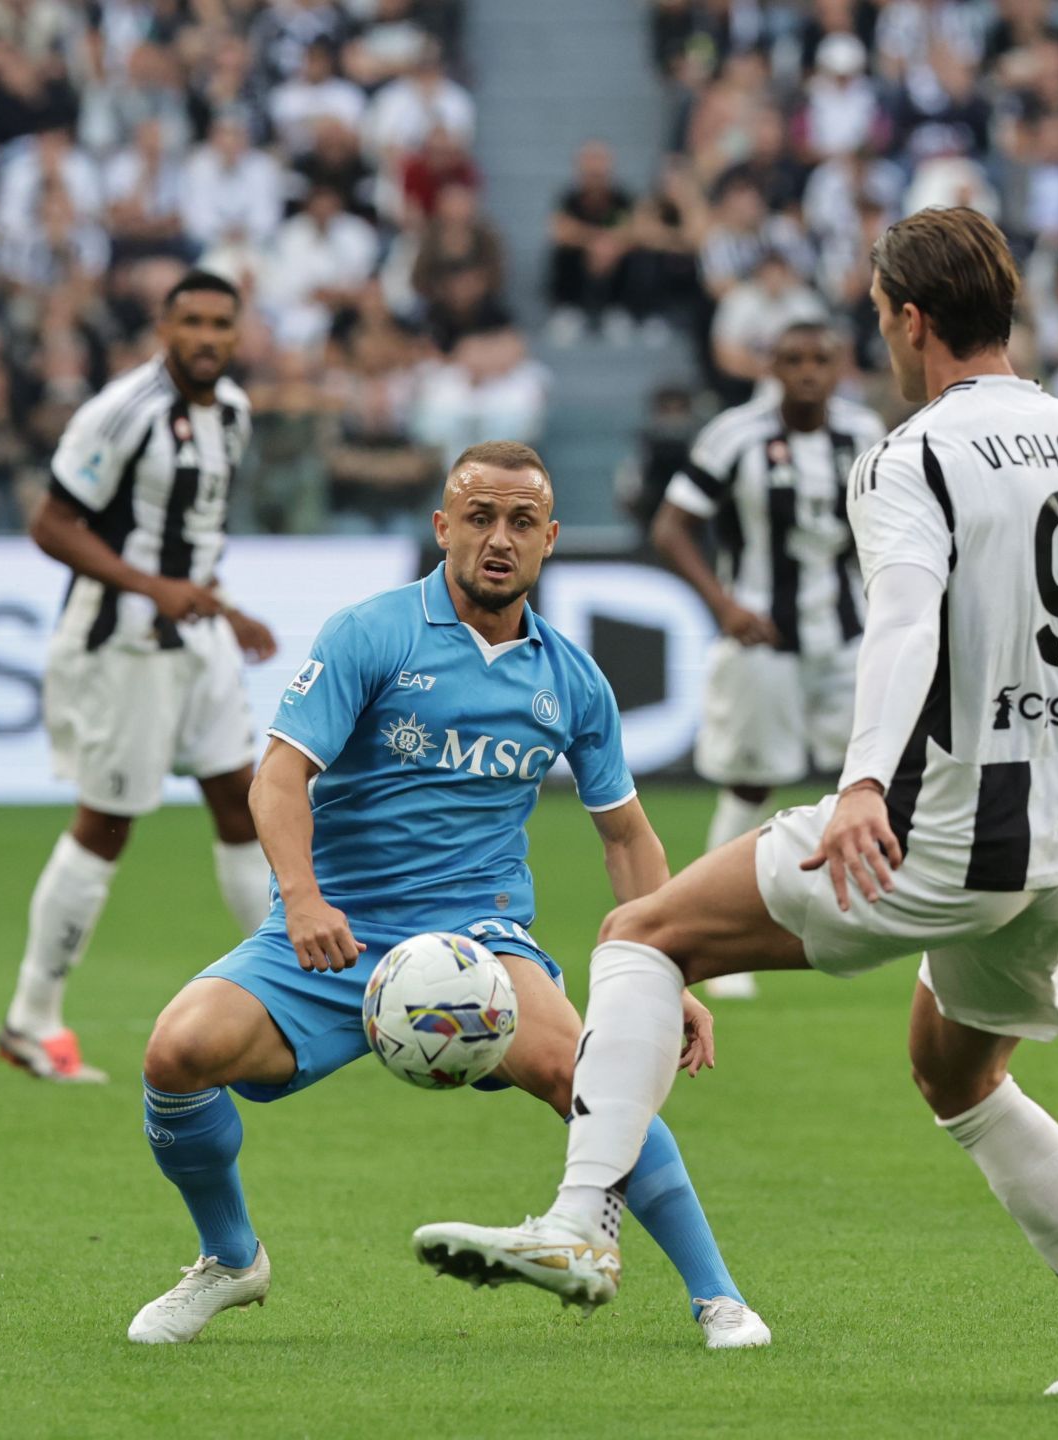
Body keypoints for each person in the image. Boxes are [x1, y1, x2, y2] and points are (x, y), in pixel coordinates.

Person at [417, 209, 1058, 1400]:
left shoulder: (913, 452)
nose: (878, 338)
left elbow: (900, 622)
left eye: (881, 317)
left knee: (640, 936)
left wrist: (868, 781)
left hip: (932, 831)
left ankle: (581, 1219)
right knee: (958, 1076)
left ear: (912, 320)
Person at [127, 442, 770, 1352]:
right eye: (478, 518)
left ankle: (720, 1299)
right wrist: (302, 900)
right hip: (337, 933)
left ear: (549, 540)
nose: (497, 540)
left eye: (519, 523)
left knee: (592, 1078)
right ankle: (232, 1260)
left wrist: (676, 976)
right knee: (176, 1052)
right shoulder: (372, 632)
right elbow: (277, 777)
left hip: (480, 940)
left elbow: (627, 836)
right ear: (443, 528)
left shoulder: (573, 680)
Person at [0, 271, 278, 1084]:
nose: (205, 337)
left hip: (200, 638)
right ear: (163, 325)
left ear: (236, 332)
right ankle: (30, 1017)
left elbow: (193, 539)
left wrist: (227, 612)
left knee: (242, 799)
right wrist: (155, 590)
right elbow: (50, 523)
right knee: (108, 820)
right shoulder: (121, 412)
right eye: (189, 321)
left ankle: (297, 992)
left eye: (220, 323)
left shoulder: (234, 412)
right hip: (123, 643)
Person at [649, 322, 886, 999]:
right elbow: (672, 526)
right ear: (772, 368)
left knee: (877, 779)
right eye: (793, 360)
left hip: (851, 637)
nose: (808, 372)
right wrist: (723, 605)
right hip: (762, 635)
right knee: (751, 785)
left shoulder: (865, 434)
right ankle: (720, 941)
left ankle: (869, 922)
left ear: (841, 365)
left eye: (821, 359)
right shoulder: (735, 435)